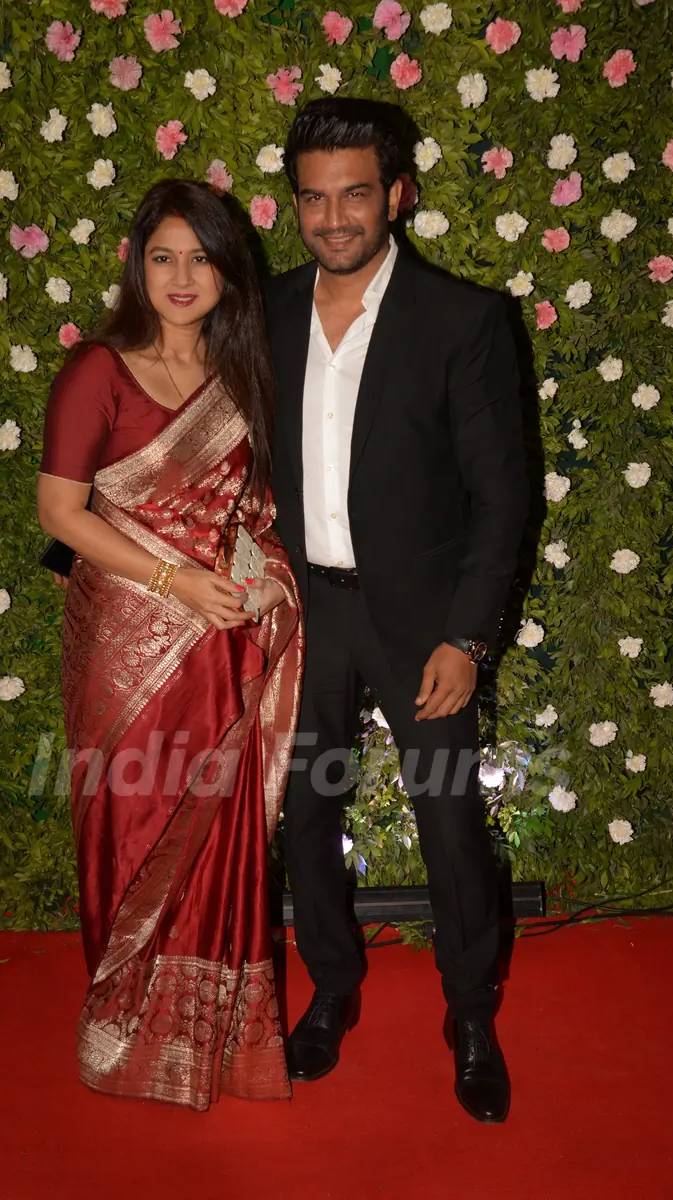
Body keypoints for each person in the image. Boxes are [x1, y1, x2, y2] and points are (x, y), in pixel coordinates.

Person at [268, 99, 529, 1124]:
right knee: (304, 816)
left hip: (423, 625)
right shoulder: (271, 311)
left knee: (451, 826)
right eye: (314, 197)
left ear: (396, 194)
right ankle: (331, 991)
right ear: (295, 203)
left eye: (354, 193)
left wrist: (467, 636)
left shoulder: (460, 319)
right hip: (305, 614)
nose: (333, 217)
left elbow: (501, 494)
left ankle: (469, 1015)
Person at [37, 180, 302, 1112]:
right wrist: (176, 584)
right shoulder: (98, 370)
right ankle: (124, 1030)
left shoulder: (242, 379)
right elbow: (60, 513)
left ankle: (203, 1037)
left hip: (218, 639)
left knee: (214, 828)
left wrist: (260, 577)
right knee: (130, 817)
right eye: (163, 257)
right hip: (125, 641)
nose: (182, 277)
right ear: (136, 264)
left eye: (201, 257)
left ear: (230, 271)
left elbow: (253, 513)